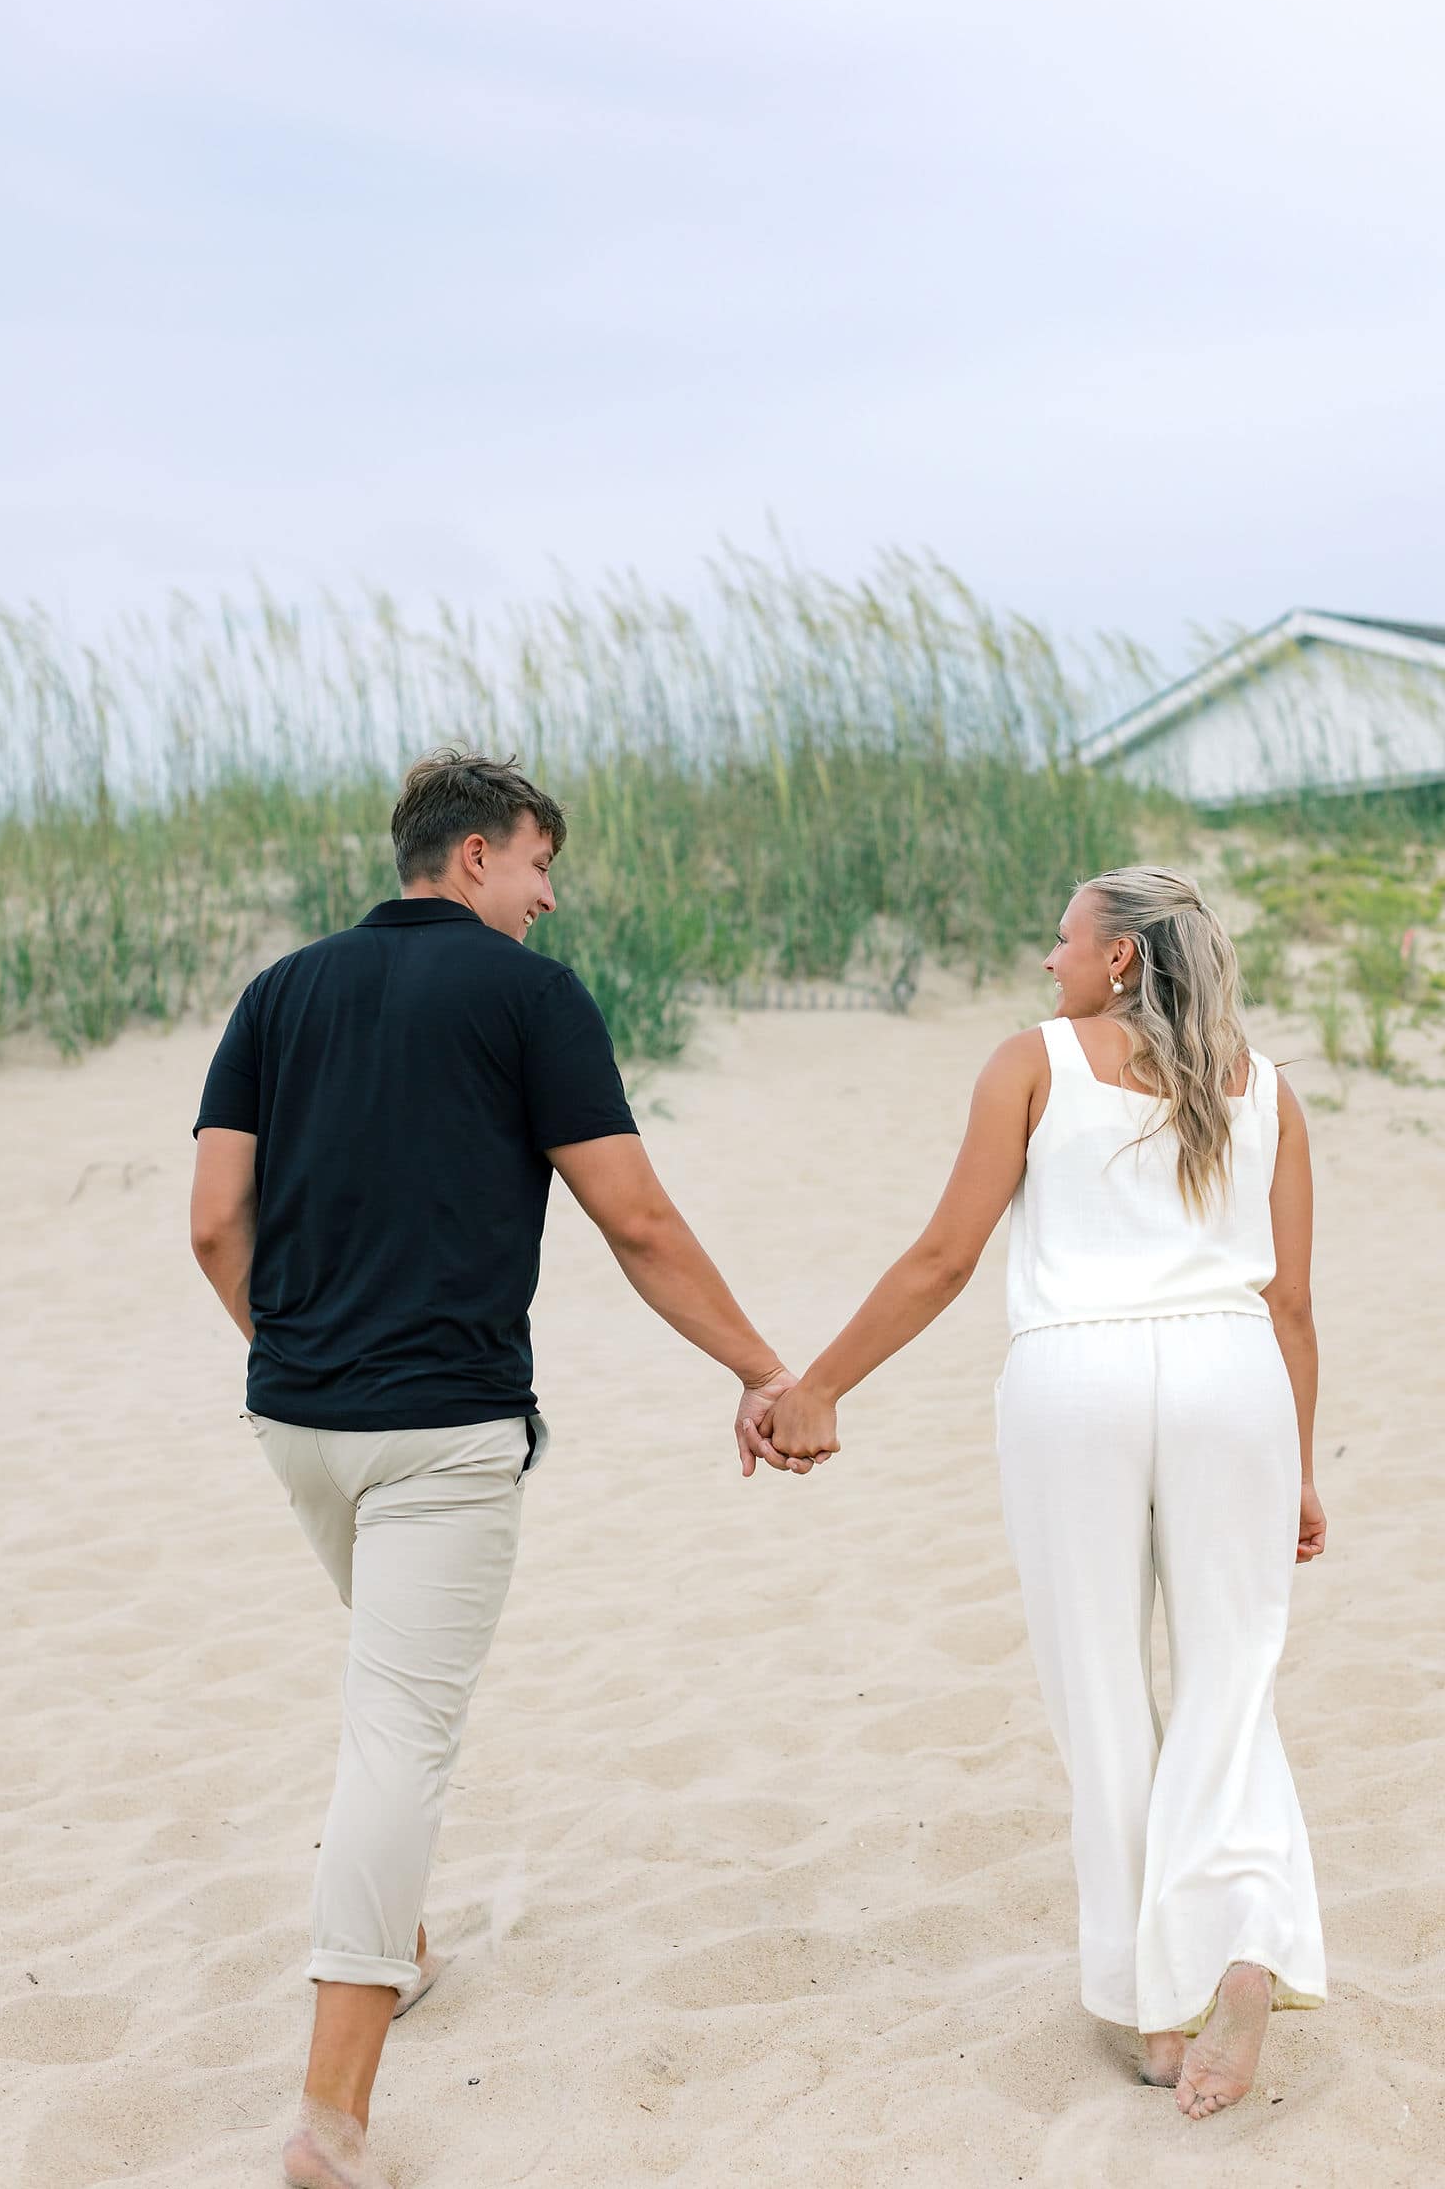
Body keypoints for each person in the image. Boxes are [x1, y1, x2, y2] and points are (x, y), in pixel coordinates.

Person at [190, 747, 834, 2189]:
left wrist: (294, 1351)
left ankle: (400, 1943)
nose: (549, 898)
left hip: (297, 1420)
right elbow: (641, 1223)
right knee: (401, 1737)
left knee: (387, 1691)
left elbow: (213, 1220)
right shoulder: (529, 999)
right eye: (541, 864)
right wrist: (762, 1369)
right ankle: (333, 2119)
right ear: (474, 856)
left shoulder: (277, 993)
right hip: (442, 1433)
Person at [762, 865, 1327, 2120]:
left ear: (1120, 958)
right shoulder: (1269, 1087)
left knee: (1102, 1691)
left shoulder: (1033, 1062)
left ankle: (1154, 2011)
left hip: (1076, 1383)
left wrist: (821, 1385)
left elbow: (943, 1257)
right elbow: (1288, 1300)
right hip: (1234, 1380)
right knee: (1230, 1681)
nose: (1047, 958)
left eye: (1064, 939)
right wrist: (1297, 1462)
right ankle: (1238, 1941)